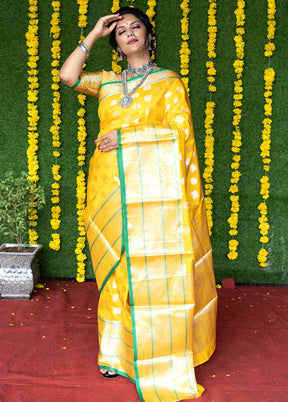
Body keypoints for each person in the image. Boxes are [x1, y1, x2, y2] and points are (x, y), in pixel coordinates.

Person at [59, 6, 217, 401]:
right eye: (121, 30)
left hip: (153, 192)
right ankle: (114, 352)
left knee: (156, 266)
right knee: (115, 269)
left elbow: (179, 134)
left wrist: (128, 139)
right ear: (115, 43)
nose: (128, 33)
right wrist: (94, 32)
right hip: (108, 188)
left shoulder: (167, 81)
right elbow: (68, 76)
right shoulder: (109, 83)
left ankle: (161, 349)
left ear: (149, 35)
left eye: (136, 27)